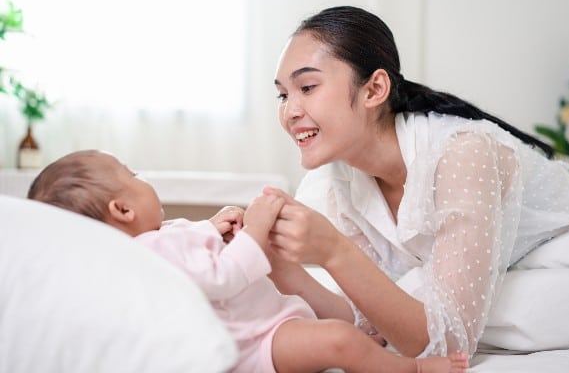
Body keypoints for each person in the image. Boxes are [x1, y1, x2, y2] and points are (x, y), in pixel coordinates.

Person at [266, 5, 569, 359]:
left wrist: (334, 250)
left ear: (374, 89)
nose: (290, 111)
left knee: (495, 304)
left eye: (307, 87)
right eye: (283, 95)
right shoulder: (340, 183)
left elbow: (447, 346)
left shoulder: (462, 154)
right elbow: (371, 321)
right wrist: (279, 267)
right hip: (507, 265)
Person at [27, 149, 469, 373]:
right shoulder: (147, 252)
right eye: (133, 176)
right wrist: (255, 228)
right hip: (255, 346)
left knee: (338, 330)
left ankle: (360, 352)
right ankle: (411, 368)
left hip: (269, 323)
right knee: (339, 340)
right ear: (122, 210)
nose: (143, 180)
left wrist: (218, 224)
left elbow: (194, 246)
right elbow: (222, 276)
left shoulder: (162, 237)